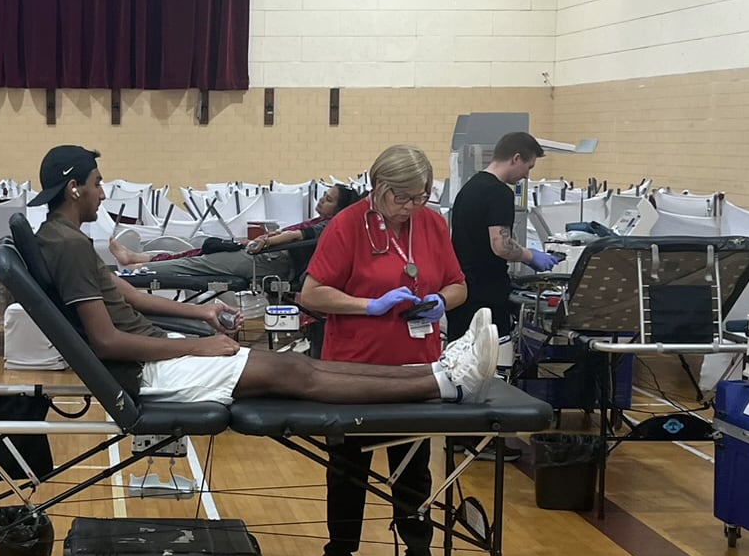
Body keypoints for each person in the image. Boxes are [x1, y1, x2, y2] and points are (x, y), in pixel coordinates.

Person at [30, 145, 497, 419]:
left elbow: (124, 293)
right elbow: (107, 342)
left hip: (156, 353)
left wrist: (201, 313)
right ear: (75, 189)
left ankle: (442, 374)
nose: (103, 191)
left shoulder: (62, 237)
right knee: (296, 372)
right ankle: (444, 383)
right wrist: (198, 346)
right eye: (96, 182)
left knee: (300, 370)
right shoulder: (68, 245)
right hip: (146, 374)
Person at [299, 144, 469, 556]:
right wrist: (367, 306)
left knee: (413, 470)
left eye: (423, 196)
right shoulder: (347, 224)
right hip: (353, 370)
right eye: (406, 198)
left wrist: (441, 302)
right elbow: (312, 294)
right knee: (348, 470)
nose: (415, 206)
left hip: (415, 367)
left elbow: (457, 284)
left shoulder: (431, 224)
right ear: (380, 188)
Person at [109, 183, 363, 289]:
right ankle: (137, 257)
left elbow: (296, 236)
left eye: (328, 200)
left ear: (339, 208)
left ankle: (136, 269)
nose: (321, 201)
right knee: (200, 244)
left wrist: (261, 242)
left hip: (271, 261)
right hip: (270, 255)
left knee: (196, 263)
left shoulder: (329, 224)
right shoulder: (327, 221)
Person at [448, 130, 554, 342]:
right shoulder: (499, 193)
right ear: (516, 158)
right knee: (491, 363)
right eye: (528, 167)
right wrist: (530, 256)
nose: (526, 176)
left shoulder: (470, 187)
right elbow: (501, 246)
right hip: (486, 295)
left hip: (462, 290)